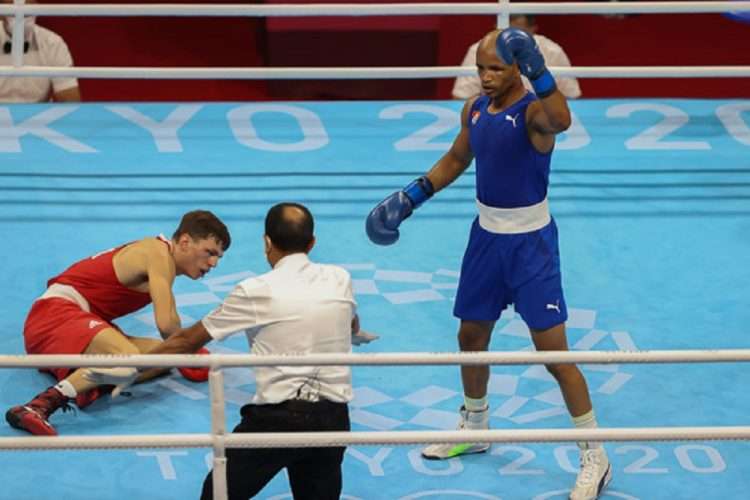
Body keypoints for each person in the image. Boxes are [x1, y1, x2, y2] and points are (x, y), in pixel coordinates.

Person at [366, 28, 610, 500]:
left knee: (554, 355)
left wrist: (540, 69)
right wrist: (412, 196)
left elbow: (562, 118)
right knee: (471, 337)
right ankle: (475, 425)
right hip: (485, 239)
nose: (485, 77)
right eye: (480, 68)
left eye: (496, 68)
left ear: (519, 67)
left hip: (531, 244)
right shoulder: (475, 109)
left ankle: (594, 453)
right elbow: (459, 156)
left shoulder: (534, 114)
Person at [142, 202, 374, 500]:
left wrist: (132, 368)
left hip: (278, 419)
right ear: (312, 243)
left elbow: (187, 342)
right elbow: (351, 323)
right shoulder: (340, 278)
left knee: (217, 494)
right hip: (333, 417)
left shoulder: (254, 290)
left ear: (267, 243)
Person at [5, 210, 230, 436]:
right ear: (184, 242)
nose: (213, 263)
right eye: (209, 252)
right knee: (132, 358)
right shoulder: (157, 254)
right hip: (53, 316)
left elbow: (170, 337)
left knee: (160, 357)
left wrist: (184, 352)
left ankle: (87, 382)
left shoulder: (160, 257)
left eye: (218, 257)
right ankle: (38, 405)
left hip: (76, 323)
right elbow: (167, 325)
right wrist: (191, 348)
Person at [452, 15, 581, 100]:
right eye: (505, 33)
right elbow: (461, 98)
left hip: (539, 119)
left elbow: (572, 97)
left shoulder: (552, 51)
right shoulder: (479, 50)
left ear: (533, 30)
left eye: (518, 34)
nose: (510, 40)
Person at [0, 0, 81, 102]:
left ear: (37, 6)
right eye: (13, 13)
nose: (21, 18)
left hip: (39, 114)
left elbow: (70, 100)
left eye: (27, 13)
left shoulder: (53, 43)